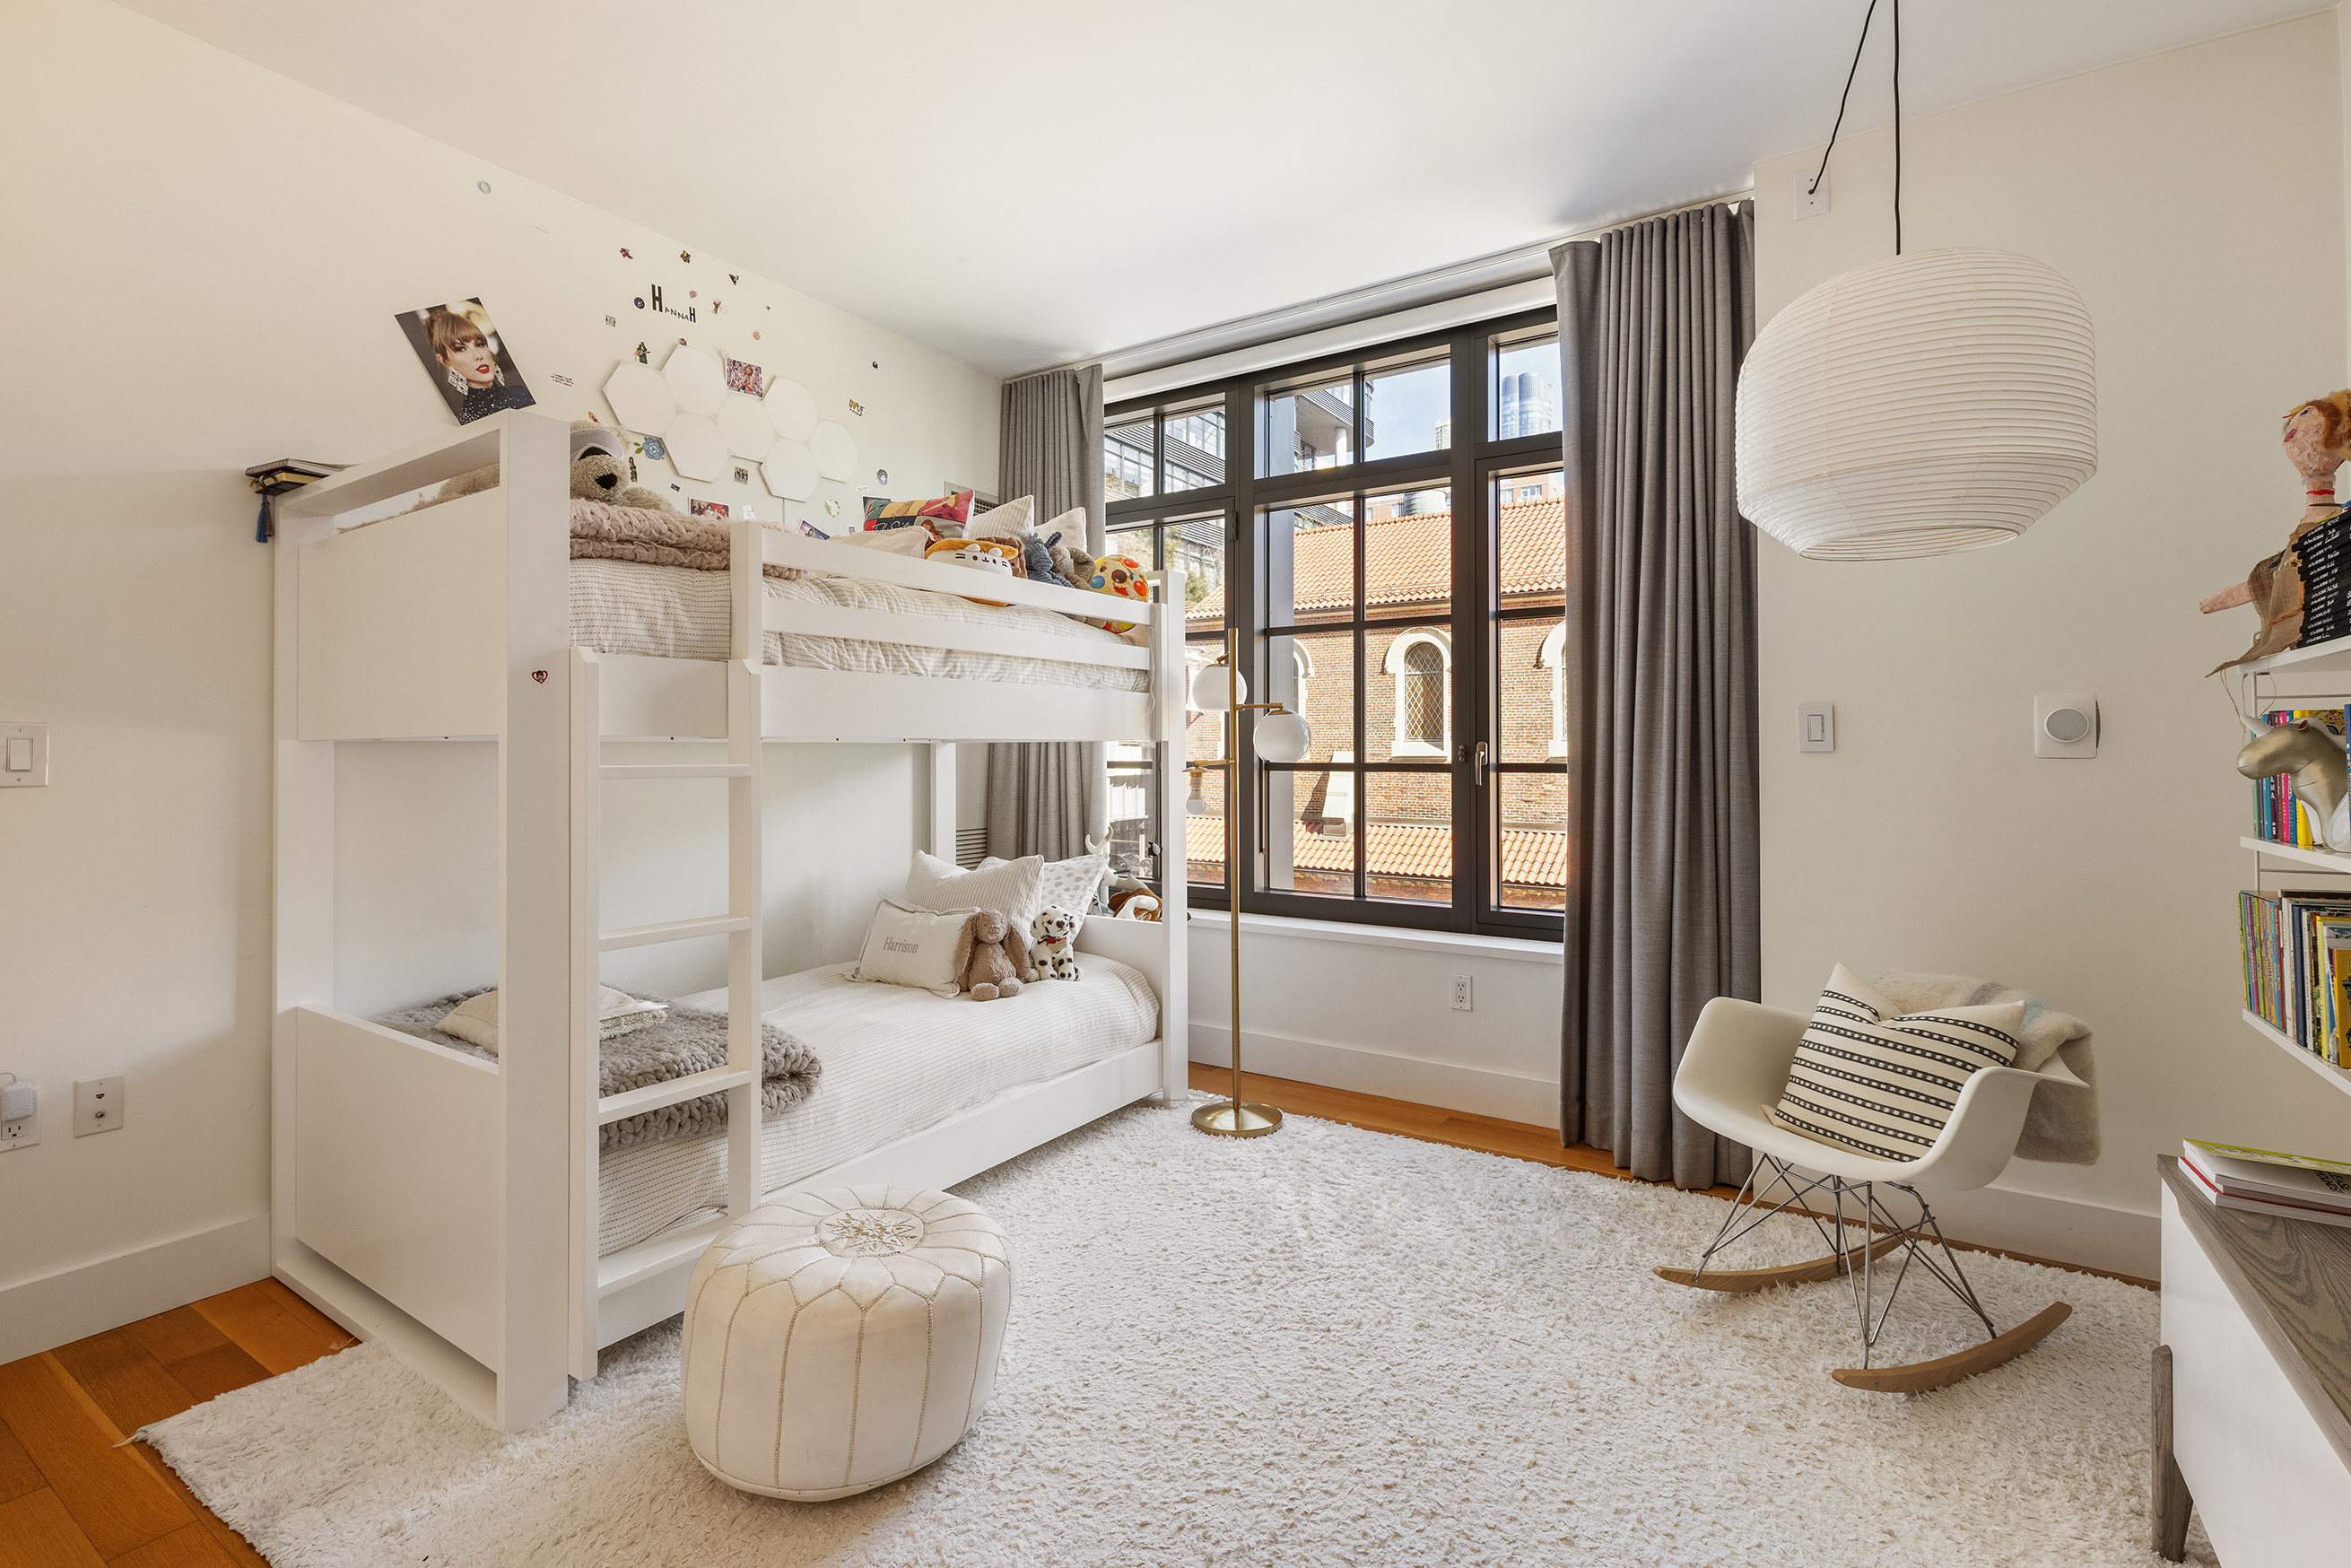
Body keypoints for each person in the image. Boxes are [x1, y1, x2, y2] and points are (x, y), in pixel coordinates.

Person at [425, 308, 531, 422]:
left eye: (479, 345)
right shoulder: (467, 421)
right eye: (461, 349)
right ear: (445, 361)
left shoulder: (520, 393)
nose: (478, 355)